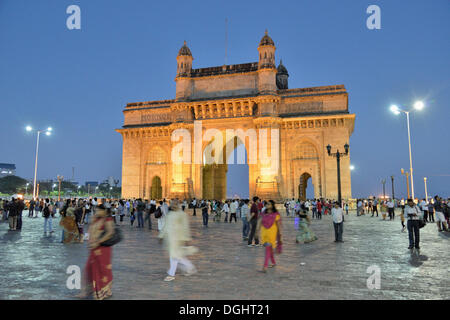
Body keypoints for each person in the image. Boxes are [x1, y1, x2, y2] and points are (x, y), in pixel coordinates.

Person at [77, 205, 115, 300]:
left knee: (102, 270)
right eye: (96, 210)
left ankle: (103, 291)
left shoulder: (108, 219)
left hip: (103, 249)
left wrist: (98, 242)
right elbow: (91, 231)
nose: (96, 212)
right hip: (94, 249)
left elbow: (110, 233)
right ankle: (86, 291)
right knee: (89, 269)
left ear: (104, 211)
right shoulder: (96, 219)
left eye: (98, 210)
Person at [159, 199, 197, 281]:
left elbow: (185, 227)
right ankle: (190, 267)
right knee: (177, 256)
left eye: (175, 204)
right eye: (172, 204)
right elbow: (165, 226)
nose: (173, 206)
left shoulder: (182, 215)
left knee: (174, 256)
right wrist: (161, 236)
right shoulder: (170, 214)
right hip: (170, 239)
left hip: (178, 238)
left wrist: (186, 238)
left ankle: (171, 274)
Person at [259, 200, 282, 273]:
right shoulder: (263, 213)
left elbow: (279, 226)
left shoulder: (276, 214)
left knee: (268, 249)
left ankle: (265, 266)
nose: (266, 205)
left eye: (268, 204)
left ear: (272, 205)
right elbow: (260, 221)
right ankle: (273, 262)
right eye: (266, 204)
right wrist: (256, 230)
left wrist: (280, 235)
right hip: (264, 234)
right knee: (270, 249)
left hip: (271, 234)